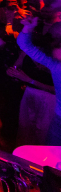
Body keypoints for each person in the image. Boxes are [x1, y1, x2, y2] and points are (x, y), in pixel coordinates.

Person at [17, 15, 61, 145]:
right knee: (51, 153)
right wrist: (28, 27)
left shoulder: (56, 66)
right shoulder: (56, 66)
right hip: (58, 120)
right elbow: (25, 45)